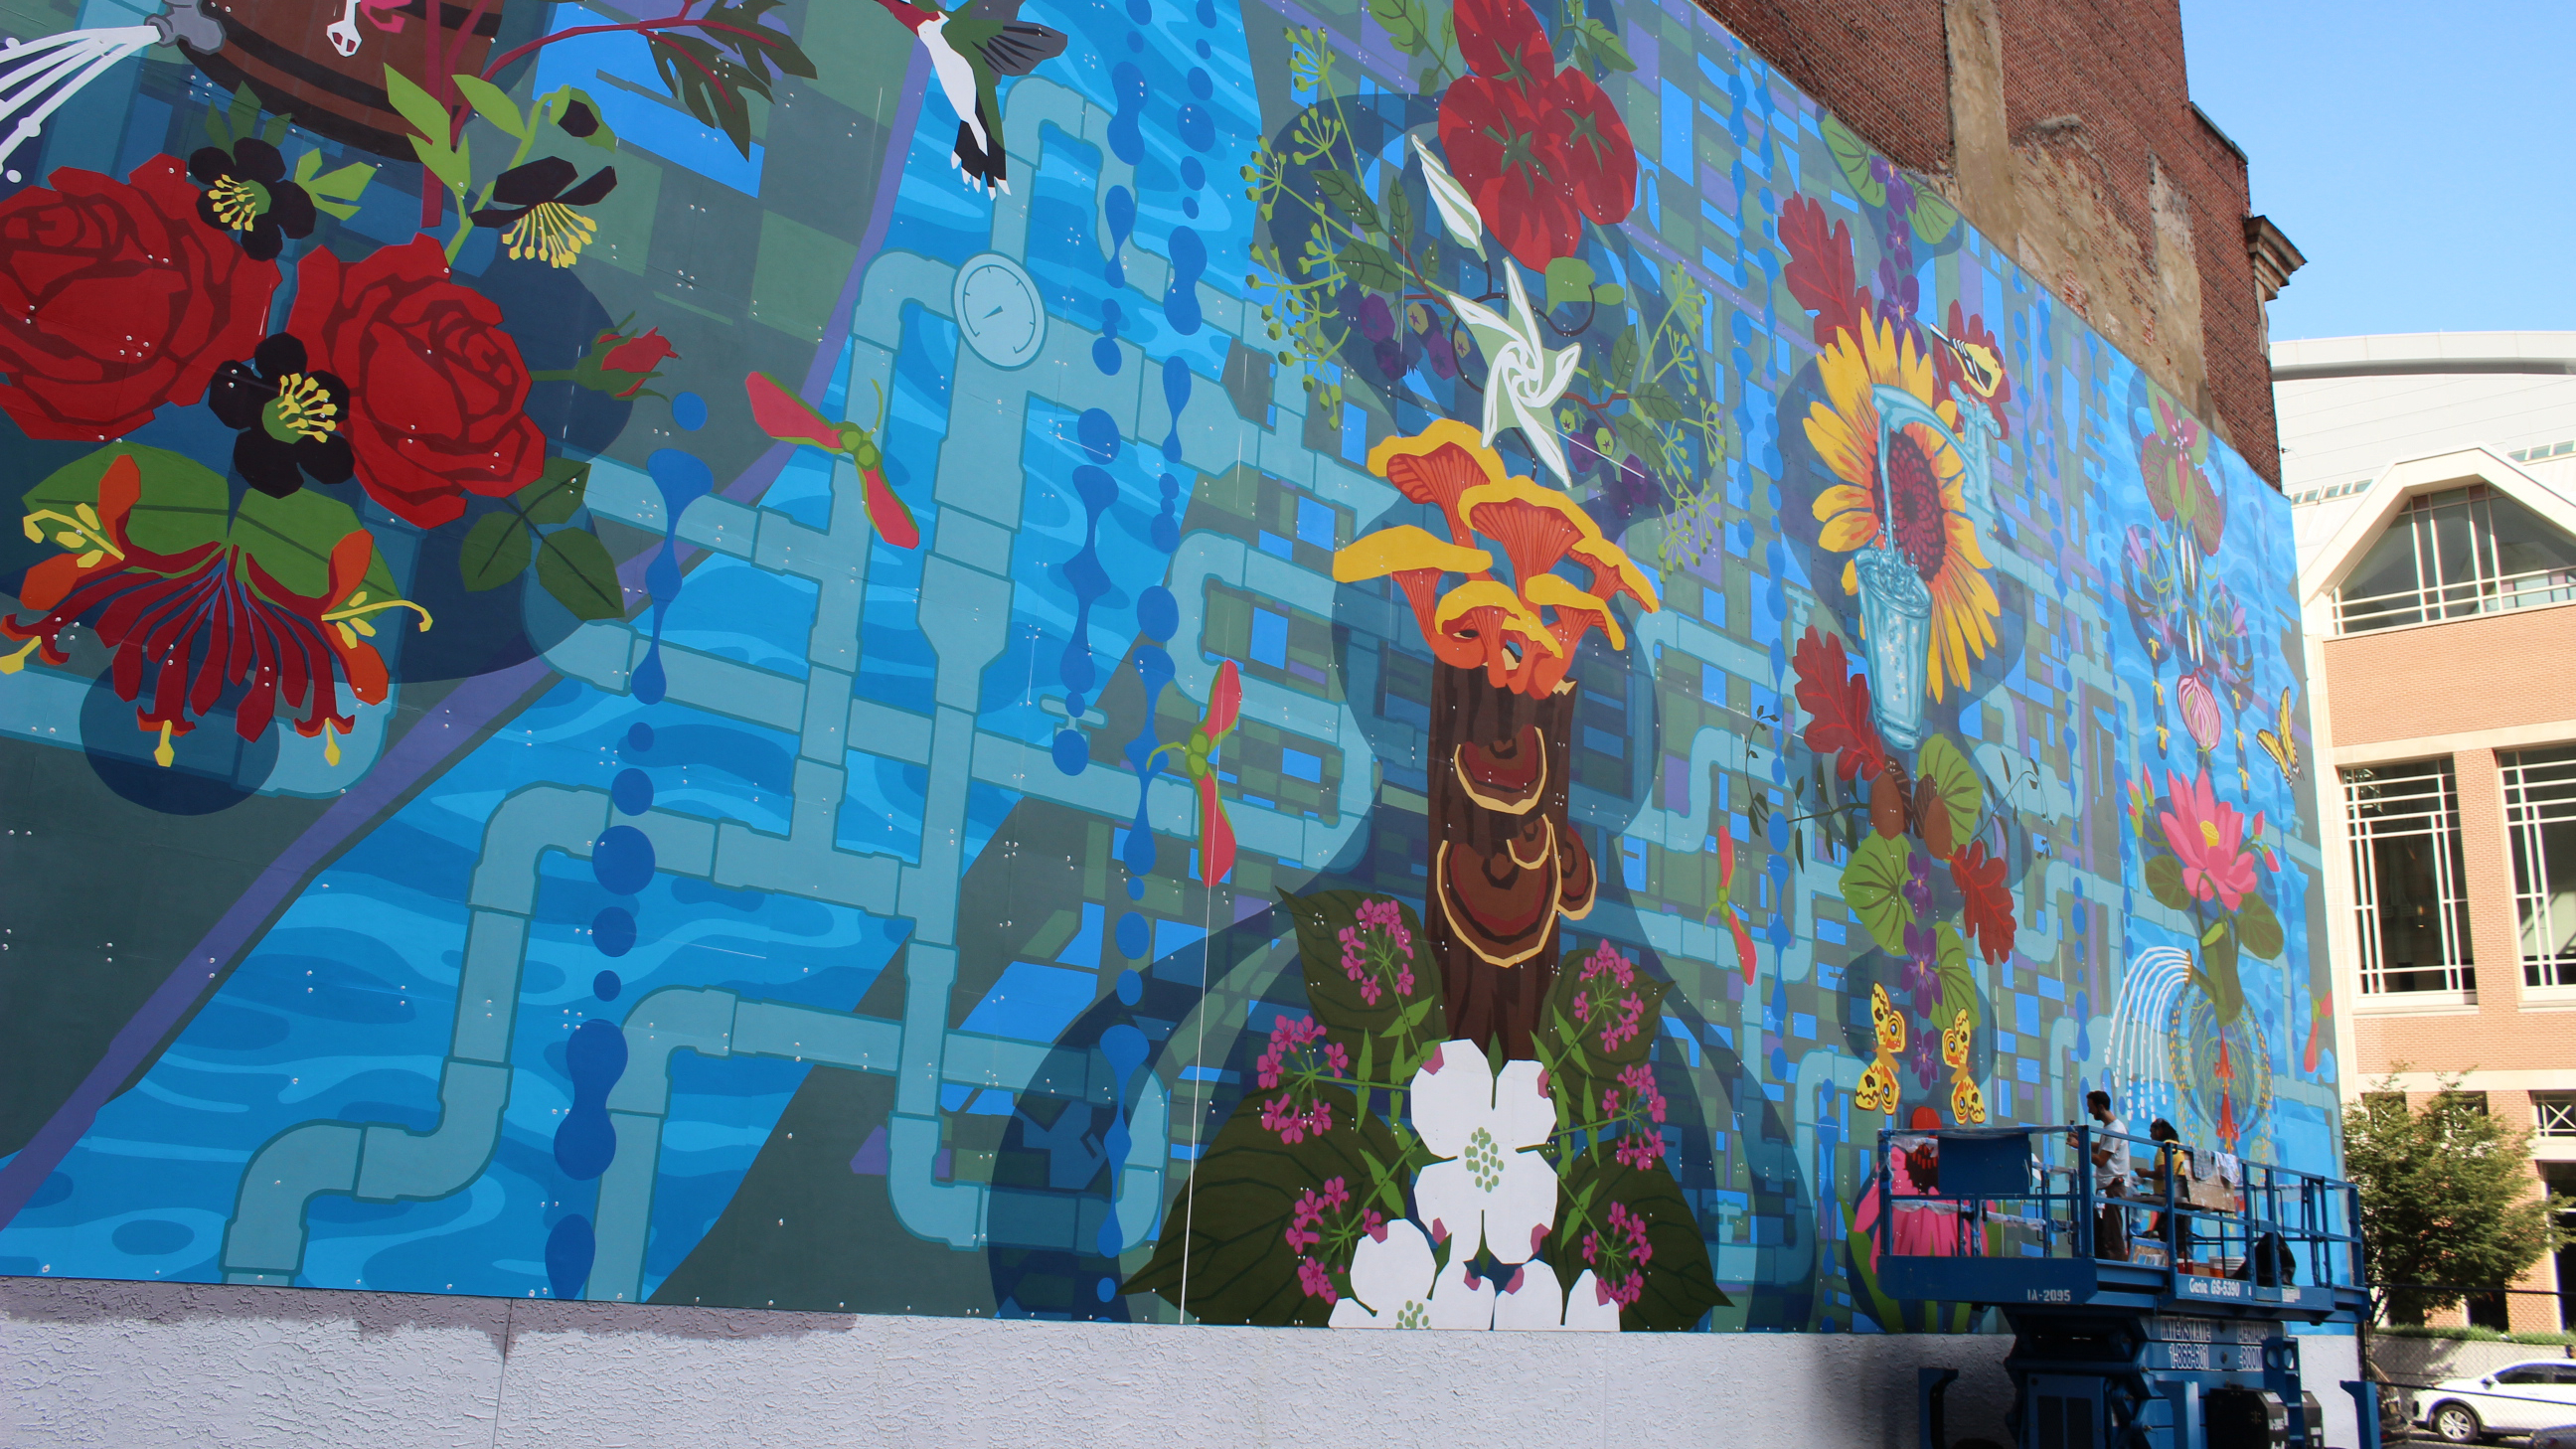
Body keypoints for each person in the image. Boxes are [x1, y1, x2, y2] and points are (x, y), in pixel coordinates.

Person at [2080, 1090, 2133, 1259]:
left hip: (2113, 1186)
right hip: (2109, 1186)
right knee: (2105, 1230)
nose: (2090, 1111)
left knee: (2112, 1231)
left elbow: (2101, 1160)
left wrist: (2080, 1147)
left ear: (2101, 1107)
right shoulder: (2110, 1129)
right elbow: (2102, 1147)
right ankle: (2110, 1259)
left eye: (2091, 1107)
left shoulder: (2114, 1130)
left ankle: (2118, 1264)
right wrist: (2082, 1141)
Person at [2148, 1119, 2193, 1266]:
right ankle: (2183, 1266)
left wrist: (2145, 1173)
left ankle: (2175, 1267)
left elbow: (2162, 1172)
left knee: (2168, 1235)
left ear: (2159, 1130)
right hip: (2183, 1199)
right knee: (2180, 1239)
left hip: (2170, 1199)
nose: (2150, 1135)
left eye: (2151, 1131)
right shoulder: (2180, 1147)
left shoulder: (2165, 1147)